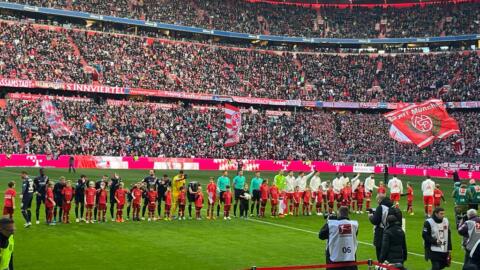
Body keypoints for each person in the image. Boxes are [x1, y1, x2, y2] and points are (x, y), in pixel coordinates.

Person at [369, 194, 400, 261]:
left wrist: (370, 216)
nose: (377, 202)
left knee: (380, 253)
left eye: (377, 200)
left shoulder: (381, 207)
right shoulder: (393, 206)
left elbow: (375, 221)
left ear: (380, 200)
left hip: (381, 232)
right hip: (393, 231)